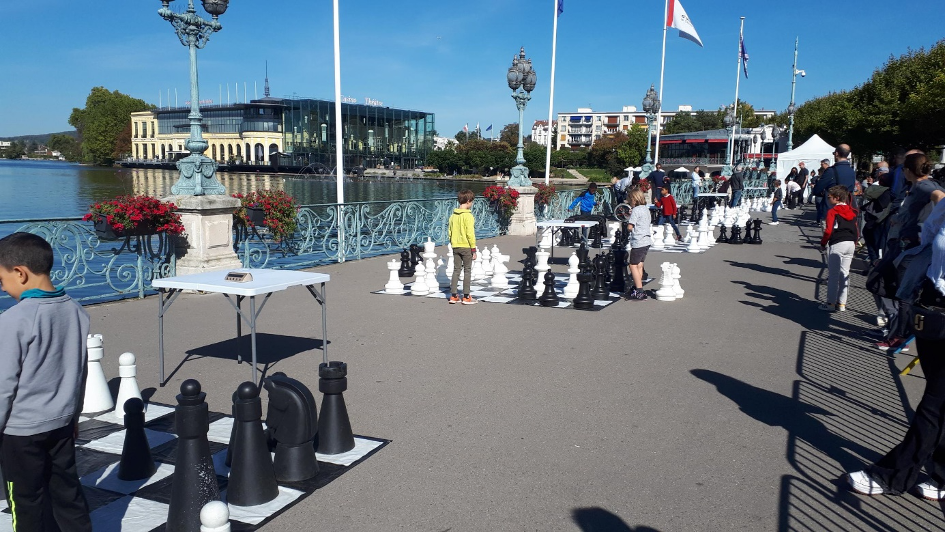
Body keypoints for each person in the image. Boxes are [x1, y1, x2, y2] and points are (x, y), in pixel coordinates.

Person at [846, 192, 945, 500]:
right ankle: (941, 474)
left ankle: (894, 474)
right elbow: (929, 237)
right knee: (938, 399)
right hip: (934, 305)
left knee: (935, 404)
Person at [0, 232, 92, 532]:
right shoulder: (76, 310)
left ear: (20, 273)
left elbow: (3, 384)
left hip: (20, 431)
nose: (3, 288)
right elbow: (80, 370)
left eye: (2, 280)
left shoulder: (13, 320)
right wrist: (75, 414)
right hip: (62, 423)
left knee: (26, 501)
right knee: (68, 494)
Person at [819, 186, 859, 312]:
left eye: (829, 197)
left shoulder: (833, 211)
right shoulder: (852, 211)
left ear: (836, 198)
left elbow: (828, 230)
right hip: (850, 243)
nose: (828, 199)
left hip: (838, 243)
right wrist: (855, 242)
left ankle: (830, 303)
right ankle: (842, 303)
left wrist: (823, 243)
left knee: (833, 275)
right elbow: (856, 229)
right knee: (845, 273)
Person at [448, 190, 478, 305]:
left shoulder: (453, 216)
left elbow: (449, 232)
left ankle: (453, 295)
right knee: (467, 270)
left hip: (455, 246)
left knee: (456, 270)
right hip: (466, 246)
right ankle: (466, 296)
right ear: (468, 201)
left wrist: (453, 242)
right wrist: (473, 249)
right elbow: (470, 234)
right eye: (472, 202)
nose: (472, 204)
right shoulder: (468, 216)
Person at [624, 189, 652, 301]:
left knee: (632, 265)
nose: (629, 202)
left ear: (634, 199)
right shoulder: (646, 209)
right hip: (647, 241)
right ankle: (637, 287)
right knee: (639, 265)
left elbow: (630, 227)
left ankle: (639, 291)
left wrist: (628, 221)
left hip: (638, 241)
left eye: (630, 200)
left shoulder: (635, 210)